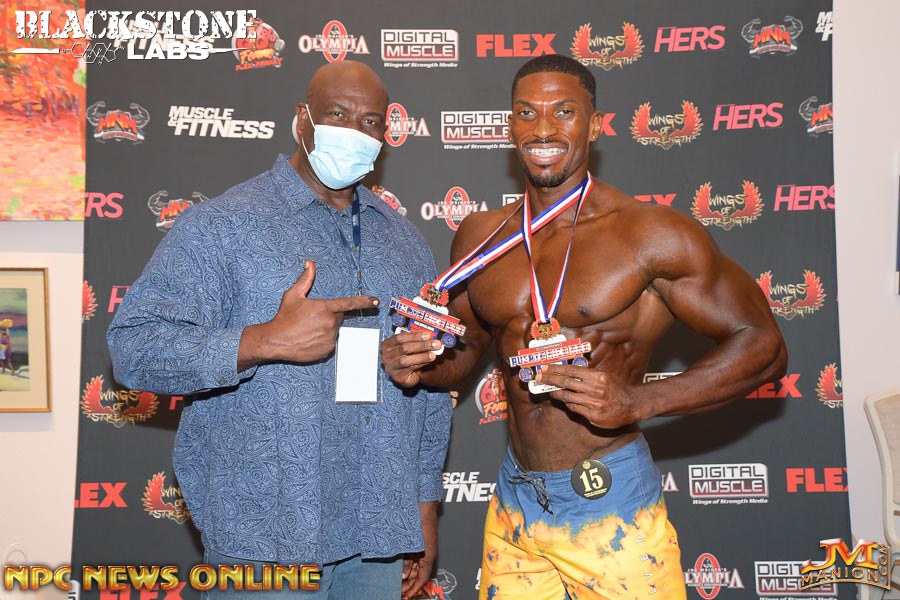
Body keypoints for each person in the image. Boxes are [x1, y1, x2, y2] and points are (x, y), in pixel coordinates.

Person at [381, 55, 788, 600]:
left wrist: (640, 400)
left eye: (564, 112)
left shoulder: (650, 234)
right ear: (510, 126)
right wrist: (419, 364)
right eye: (527, 112)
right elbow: (469, 347)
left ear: (594, 126)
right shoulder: (481, 235)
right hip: (516, 504)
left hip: (611, 501)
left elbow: (764, 346)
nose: (543, 128)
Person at [108, 61, 451, 600]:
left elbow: (428, 380)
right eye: (336, 114)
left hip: (379, 534)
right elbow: (134, 346)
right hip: (265, 534)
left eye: (369, 122)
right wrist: (261, 341)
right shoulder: (222, 225)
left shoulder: (405, 242)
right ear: (302, 119)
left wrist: (423, 505)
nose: (354, 131)